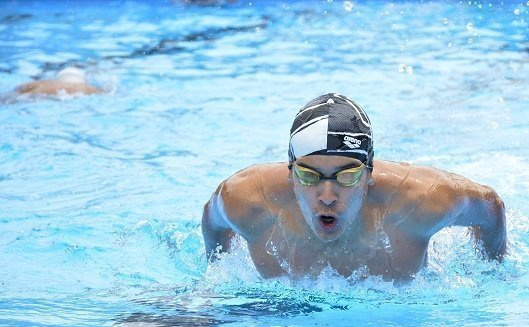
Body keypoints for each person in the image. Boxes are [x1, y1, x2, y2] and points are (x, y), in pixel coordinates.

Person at [202, 93, 506, 282]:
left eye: (346, 177)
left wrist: (491, 272)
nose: (328, 196)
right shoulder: (247, 199)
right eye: (310, 176)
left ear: (369, 174)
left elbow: (491, 207)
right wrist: (216, 271)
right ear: (291, 173)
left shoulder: (420, 201)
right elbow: (212, 220)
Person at [14, 66, 102, 97]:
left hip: (39, 96)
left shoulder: (44, 83)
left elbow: (17, 89)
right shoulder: (90, 89)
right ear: (83, 80)